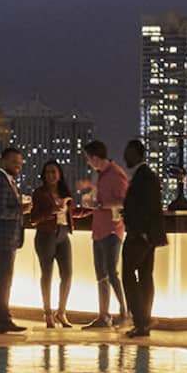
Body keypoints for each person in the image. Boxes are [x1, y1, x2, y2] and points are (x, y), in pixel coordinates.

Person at [120, 138, 167, 338]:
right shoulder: (146, 175)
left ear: (137, 154)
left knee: (129, 274)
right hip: (148, 235)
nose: (125, 156)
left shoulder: (143, 176)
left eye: (128, 153)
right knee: (146, 276)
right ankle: (144, 321)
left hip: (141, 235)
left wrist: (139, 231)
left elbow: (147, 208)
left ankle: (141, 320)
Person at [80, 140, 128, 329]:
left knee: (111, 272)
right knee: (101, 274)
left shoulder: (116, 174)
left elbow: (123, 202)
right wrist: (92, 194)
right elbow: (102, 197)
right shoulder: (102, 175)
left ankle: (125, 313)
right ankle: (104, 316)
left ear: (94, 157)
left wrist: (98, 206)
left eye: (88, 159)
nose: (88, 163)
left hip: (112, 231)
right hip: (99, 230)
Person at [28, 159, 79, 328]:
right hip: (46, 235)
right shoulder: (40, 193)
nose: (50, 175)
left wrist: (94, 209)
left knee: (68, 274)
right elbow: (33, 218)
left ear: (59, 174)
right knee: (47, 274)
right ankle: (48, 313)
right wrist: (51, 211)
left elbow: (72, 212)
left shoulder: (65, 192)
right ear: (44, 175)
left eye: (54, 172)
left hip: (63, 234)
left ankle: (61, 312)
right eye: (47, 172)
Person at [0, 146, 28, 334]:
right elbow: (0, 211)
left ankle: (3, 318)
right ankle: (2, 319)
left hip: (8, 238)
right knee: (3, 279)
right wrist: (22, 210)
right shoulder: (0, 182)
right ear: (3, 161)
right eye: (14, 162)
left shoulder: (9, 181)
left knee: (5, 279)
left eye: (19, 163)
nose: (18, 166)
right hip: (3, 238)